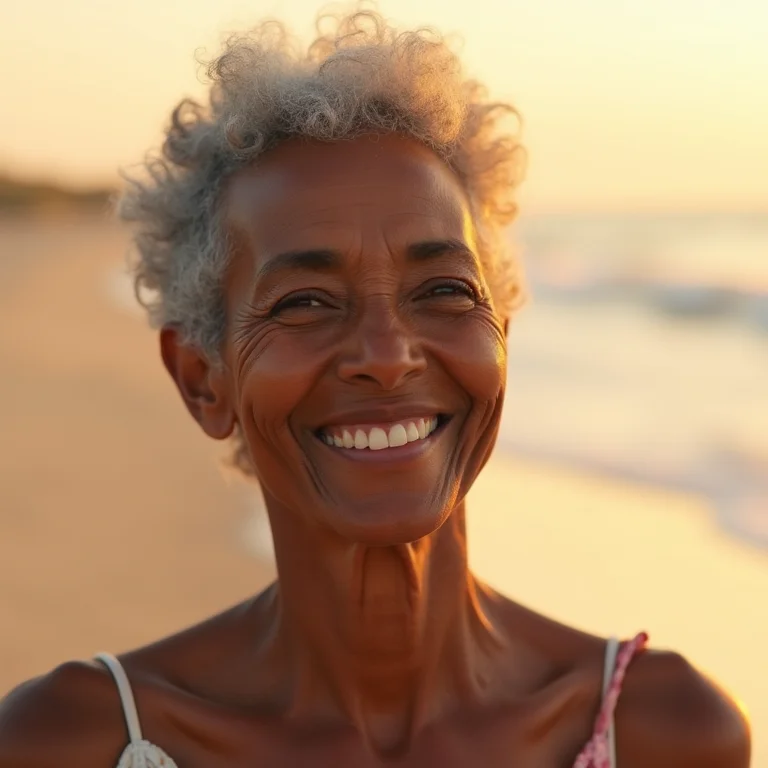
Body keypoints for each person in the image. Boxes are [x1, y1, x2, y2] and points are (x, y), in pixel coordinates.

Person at [0, 8, 750, 767]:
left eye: (445, 291)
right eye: (304, 302)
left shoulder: (667, 733)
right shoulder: (73, 742)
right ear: (202, 380)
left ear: (502, 337)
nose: (388, 357)